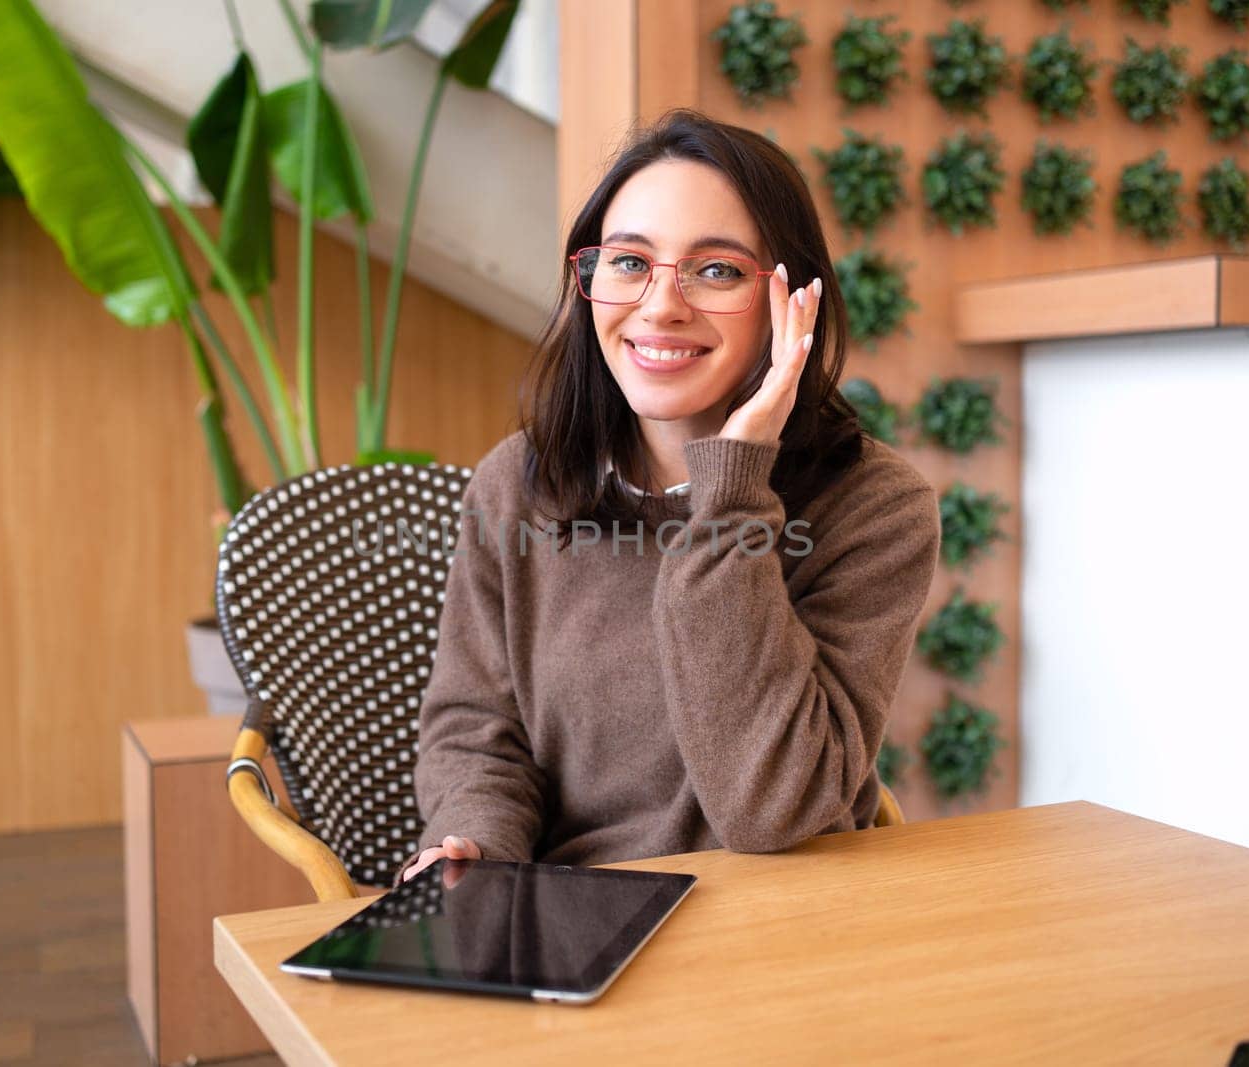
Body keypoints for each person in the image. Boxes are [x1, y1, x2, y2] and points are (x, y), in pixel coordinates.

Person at [398, 109, 940, 884]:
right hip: (572, 918)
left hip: (785, 926)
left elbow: (773, 811)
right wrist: (479, 843)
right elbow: (477, 729)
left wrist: (733, 482)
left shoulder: (876, 508)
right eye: (628, 263)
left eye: (716, 270)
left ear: (794, 303)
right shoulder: (519, 485)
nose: (660, 306)